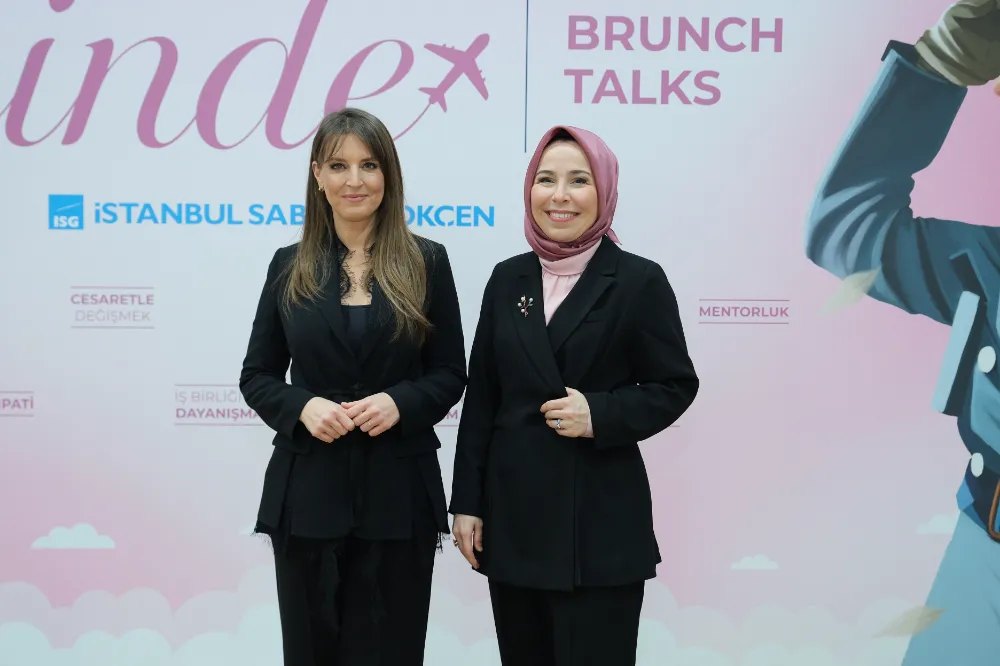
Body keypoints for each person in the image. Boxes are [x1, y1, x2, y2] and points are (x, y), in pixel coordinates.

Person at [449, 125, 699, 665]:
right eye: (546, 179)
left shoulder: (637, 280)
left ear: (604, 190)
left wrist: (600, 412)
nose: (559, 195)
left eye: (578, 180)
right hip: (514, 521)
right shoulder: (507, 279)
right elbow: (483, 397)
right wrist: (467, 502)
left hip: (598, 527)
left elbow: (675, 385)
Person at [239, 107, 467, 666]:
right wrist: (303, 407)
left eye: (369, 165)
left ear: (388, 173)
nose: (354, 180)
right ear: (318, 175)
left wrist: (400, 402)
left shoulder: (426, 261)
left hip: (399, 495)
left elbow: (450, 372)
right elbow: (257, 375)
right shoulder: (288, 265)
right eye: (339, 166)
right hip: (308, 495)